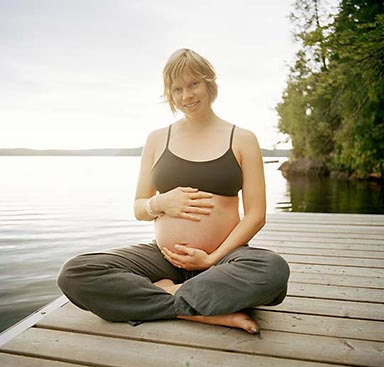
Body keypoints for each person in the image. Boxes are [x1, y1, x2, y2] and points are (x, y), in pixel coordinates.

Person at [57, 48, 290, 334]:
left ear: (210, 85)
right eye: (176, 88)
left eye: (194, 84)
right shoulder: (157, 139)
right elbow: (139, 207)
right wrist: (160, 203)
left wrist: (212, 258)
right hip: (163, 257)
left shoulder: (242, 139)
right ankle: (197, 309)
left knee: (272, 270)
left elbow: (255, 216)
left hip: (223, 259)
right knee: (75, 273)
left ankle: (166, 296)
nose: (186, 95)